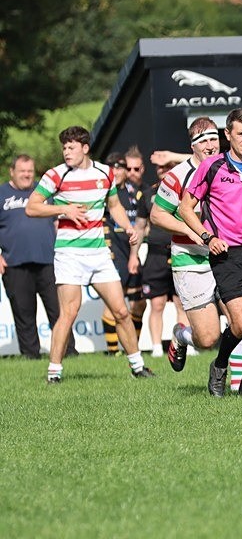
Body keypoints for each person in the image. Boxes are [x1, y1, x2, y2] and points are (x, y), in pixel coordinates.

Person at [26, 126, 153, 381]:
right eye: (64, 147)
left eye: (71, 147)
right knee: (69, 313)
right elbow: (32, 207)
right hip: (69, 254)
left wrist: (128, 228)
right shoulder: (56, 175)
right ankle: (54, 372)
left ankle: (138, 367)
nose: (66, 152)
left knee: (121, 311)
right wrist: (63, 210)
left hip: (98, 254)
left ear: (85, 148)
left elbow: (114, 205)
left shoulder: (105, 173)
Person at [178, 109, 242, 397]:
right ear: (228, 135)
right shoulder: (211, 166)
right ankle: (219, 367)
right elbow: (185, 208)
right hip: (227, 254)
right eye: (241, 134)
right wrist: (208, 237)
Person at [152, 117, 242, 392]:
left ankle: (238, 387)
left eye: (213, 139)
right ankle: (181, 336)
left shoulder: (230, 167)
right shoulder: (177, 176)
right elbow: (157, 214)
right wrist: (194, 231)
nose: (210, 146)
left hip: (226, 257)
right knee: (207, 338)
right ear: (193, 146)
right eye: (203, 141)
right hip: (190, 259)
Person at [0, 154, 74, 358]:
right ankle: (30, 354)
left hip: (49, 261)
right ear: (12, 172)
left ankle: (68, 351)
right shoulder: (1, 193)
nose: (26, 175)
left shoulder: (44, 192)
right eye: (22, 171)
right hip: (14, 263)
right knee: (24, 312)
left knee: (59, 310)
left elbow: (59, 223)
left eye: (30, 171)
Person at [135, 151, 186, 357]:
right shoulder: (148, 194)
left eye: (167, 167)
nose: (163, 171)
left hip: (180, 250)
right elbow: (140, 226)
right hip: (155, 253)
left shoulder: (185, 191)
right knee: (156, 303)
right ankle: (156, 347)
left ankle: (182, 345)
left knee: (182, 302)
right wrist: (133, 255)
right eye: (160, 168)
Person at [101, 149, 146, 354]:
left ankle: (132, 347)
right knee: (115, 303)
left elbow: (142, 222)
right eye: (113, 168)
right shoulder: (104, 192)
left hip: (132, 252)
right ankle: (113, 351)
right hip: (113, 253)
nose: (118, 171)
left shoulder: (135, 192)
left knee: (139, 304)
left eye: (121, 167)